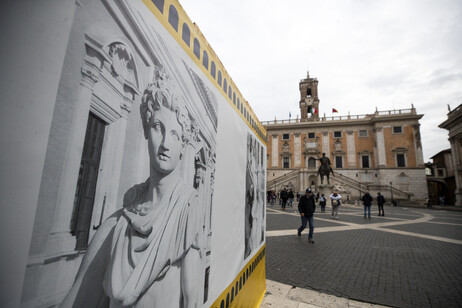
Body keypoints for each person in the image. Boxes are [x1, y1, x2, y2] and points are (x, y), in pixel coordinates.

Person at [62, 67, 203, 307]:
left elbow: (192, 301)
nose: (166, 144)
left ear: (183, 145)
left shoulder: (187, 211)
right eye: (158, 127)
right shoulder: (119, 222)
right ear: (147, 130)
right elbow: (76, 298)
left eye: (176, 135)